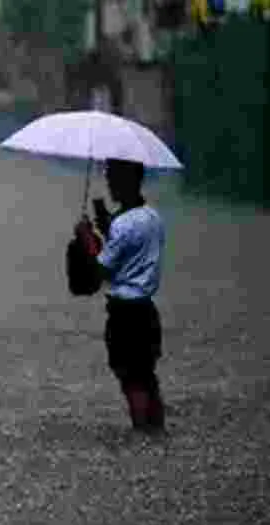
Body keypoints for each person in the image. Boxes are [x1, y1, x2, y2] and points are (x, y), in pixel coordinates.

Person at [77, 158, 167, 434]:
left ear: (128, 180)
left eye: (114, 177)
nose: (110, 183)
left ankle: (141, 432)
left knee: (130, 376)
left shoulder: (123, 225)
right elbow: (130, 249)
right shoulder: (153, 217)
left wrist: (87, 240)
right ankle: (156, 430)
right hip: (147, 311)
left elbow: (102, 269)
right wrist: (107, 226)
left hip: (124, 314)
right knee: (146, 374)